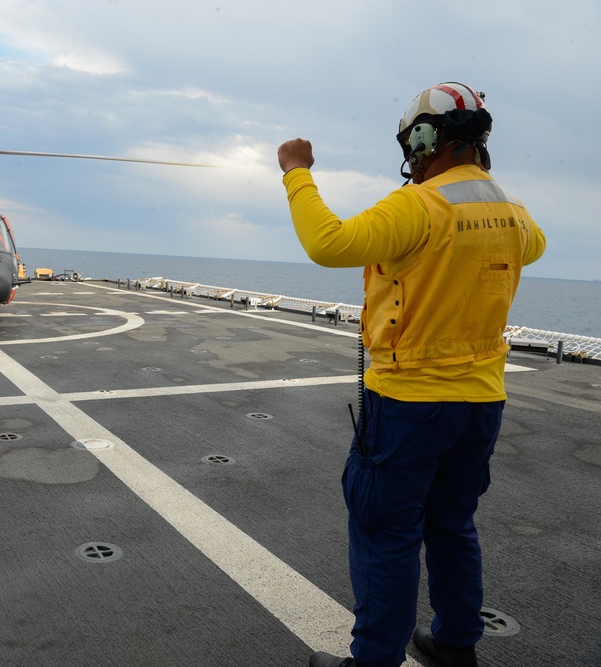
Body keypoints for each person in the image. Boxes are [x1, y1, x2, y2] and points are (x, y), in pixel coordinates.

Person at [277, 82, 546, 667]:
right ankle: (455, 646)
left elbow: (328, 243)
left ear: (425, 137)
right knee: (452, 525)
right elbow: (537, 247)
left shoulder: (417, 206)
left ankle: (375, 660)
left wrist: (297, 172)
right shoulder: (513, 214)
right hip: (482, 404)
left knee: (386, 532)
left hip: (408, 406)